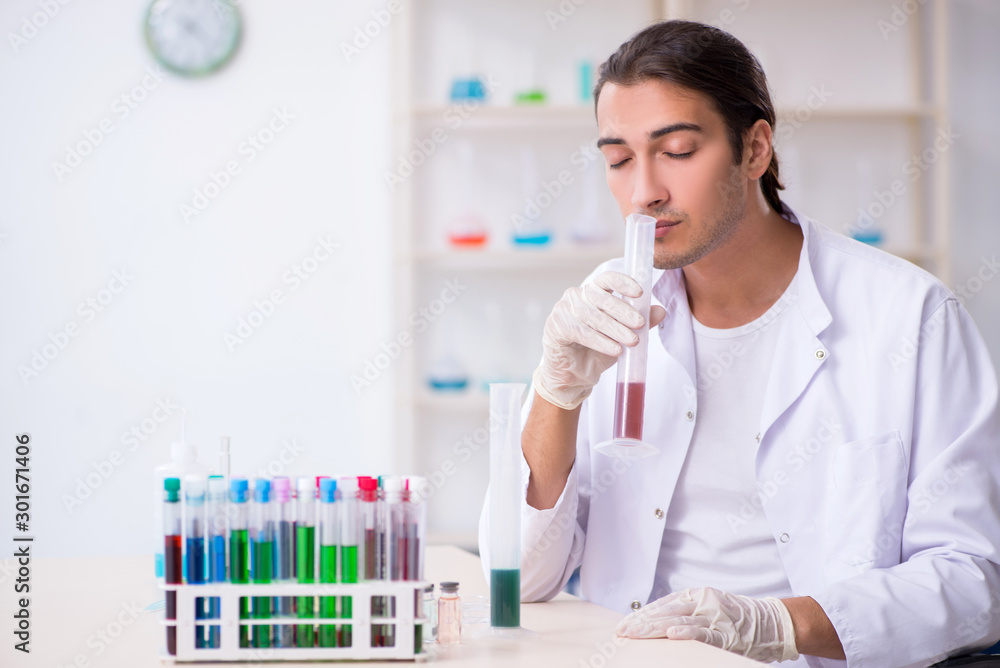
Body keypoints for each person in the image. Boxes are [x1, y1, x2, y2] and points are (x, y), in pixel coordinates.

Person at [478, 19, 1000, 668]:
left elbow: (974, 580)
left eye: (677, 150)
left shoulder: (908, 317)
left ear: (755, 151)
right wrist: (557, 395)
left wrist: (779, 625)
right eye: (617, 160)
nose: (643, 193)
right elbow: (522, 580)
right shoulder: (605, 308)